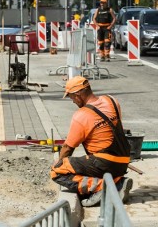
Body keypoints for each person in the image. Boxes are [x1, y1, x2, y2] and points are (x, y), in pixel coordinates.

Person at [50, 76, 133, 207]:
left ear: (78, 95)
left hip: (104, 163)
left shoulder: (82, 115)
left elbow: (68, 148)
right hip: (123, 160)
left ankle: (105, 187)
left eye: (71, 97)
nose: (72, 101)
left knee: (57, 171)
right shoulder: (112, 100)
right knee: (83, 163)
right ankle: (117, 181)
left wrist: (61, 163)